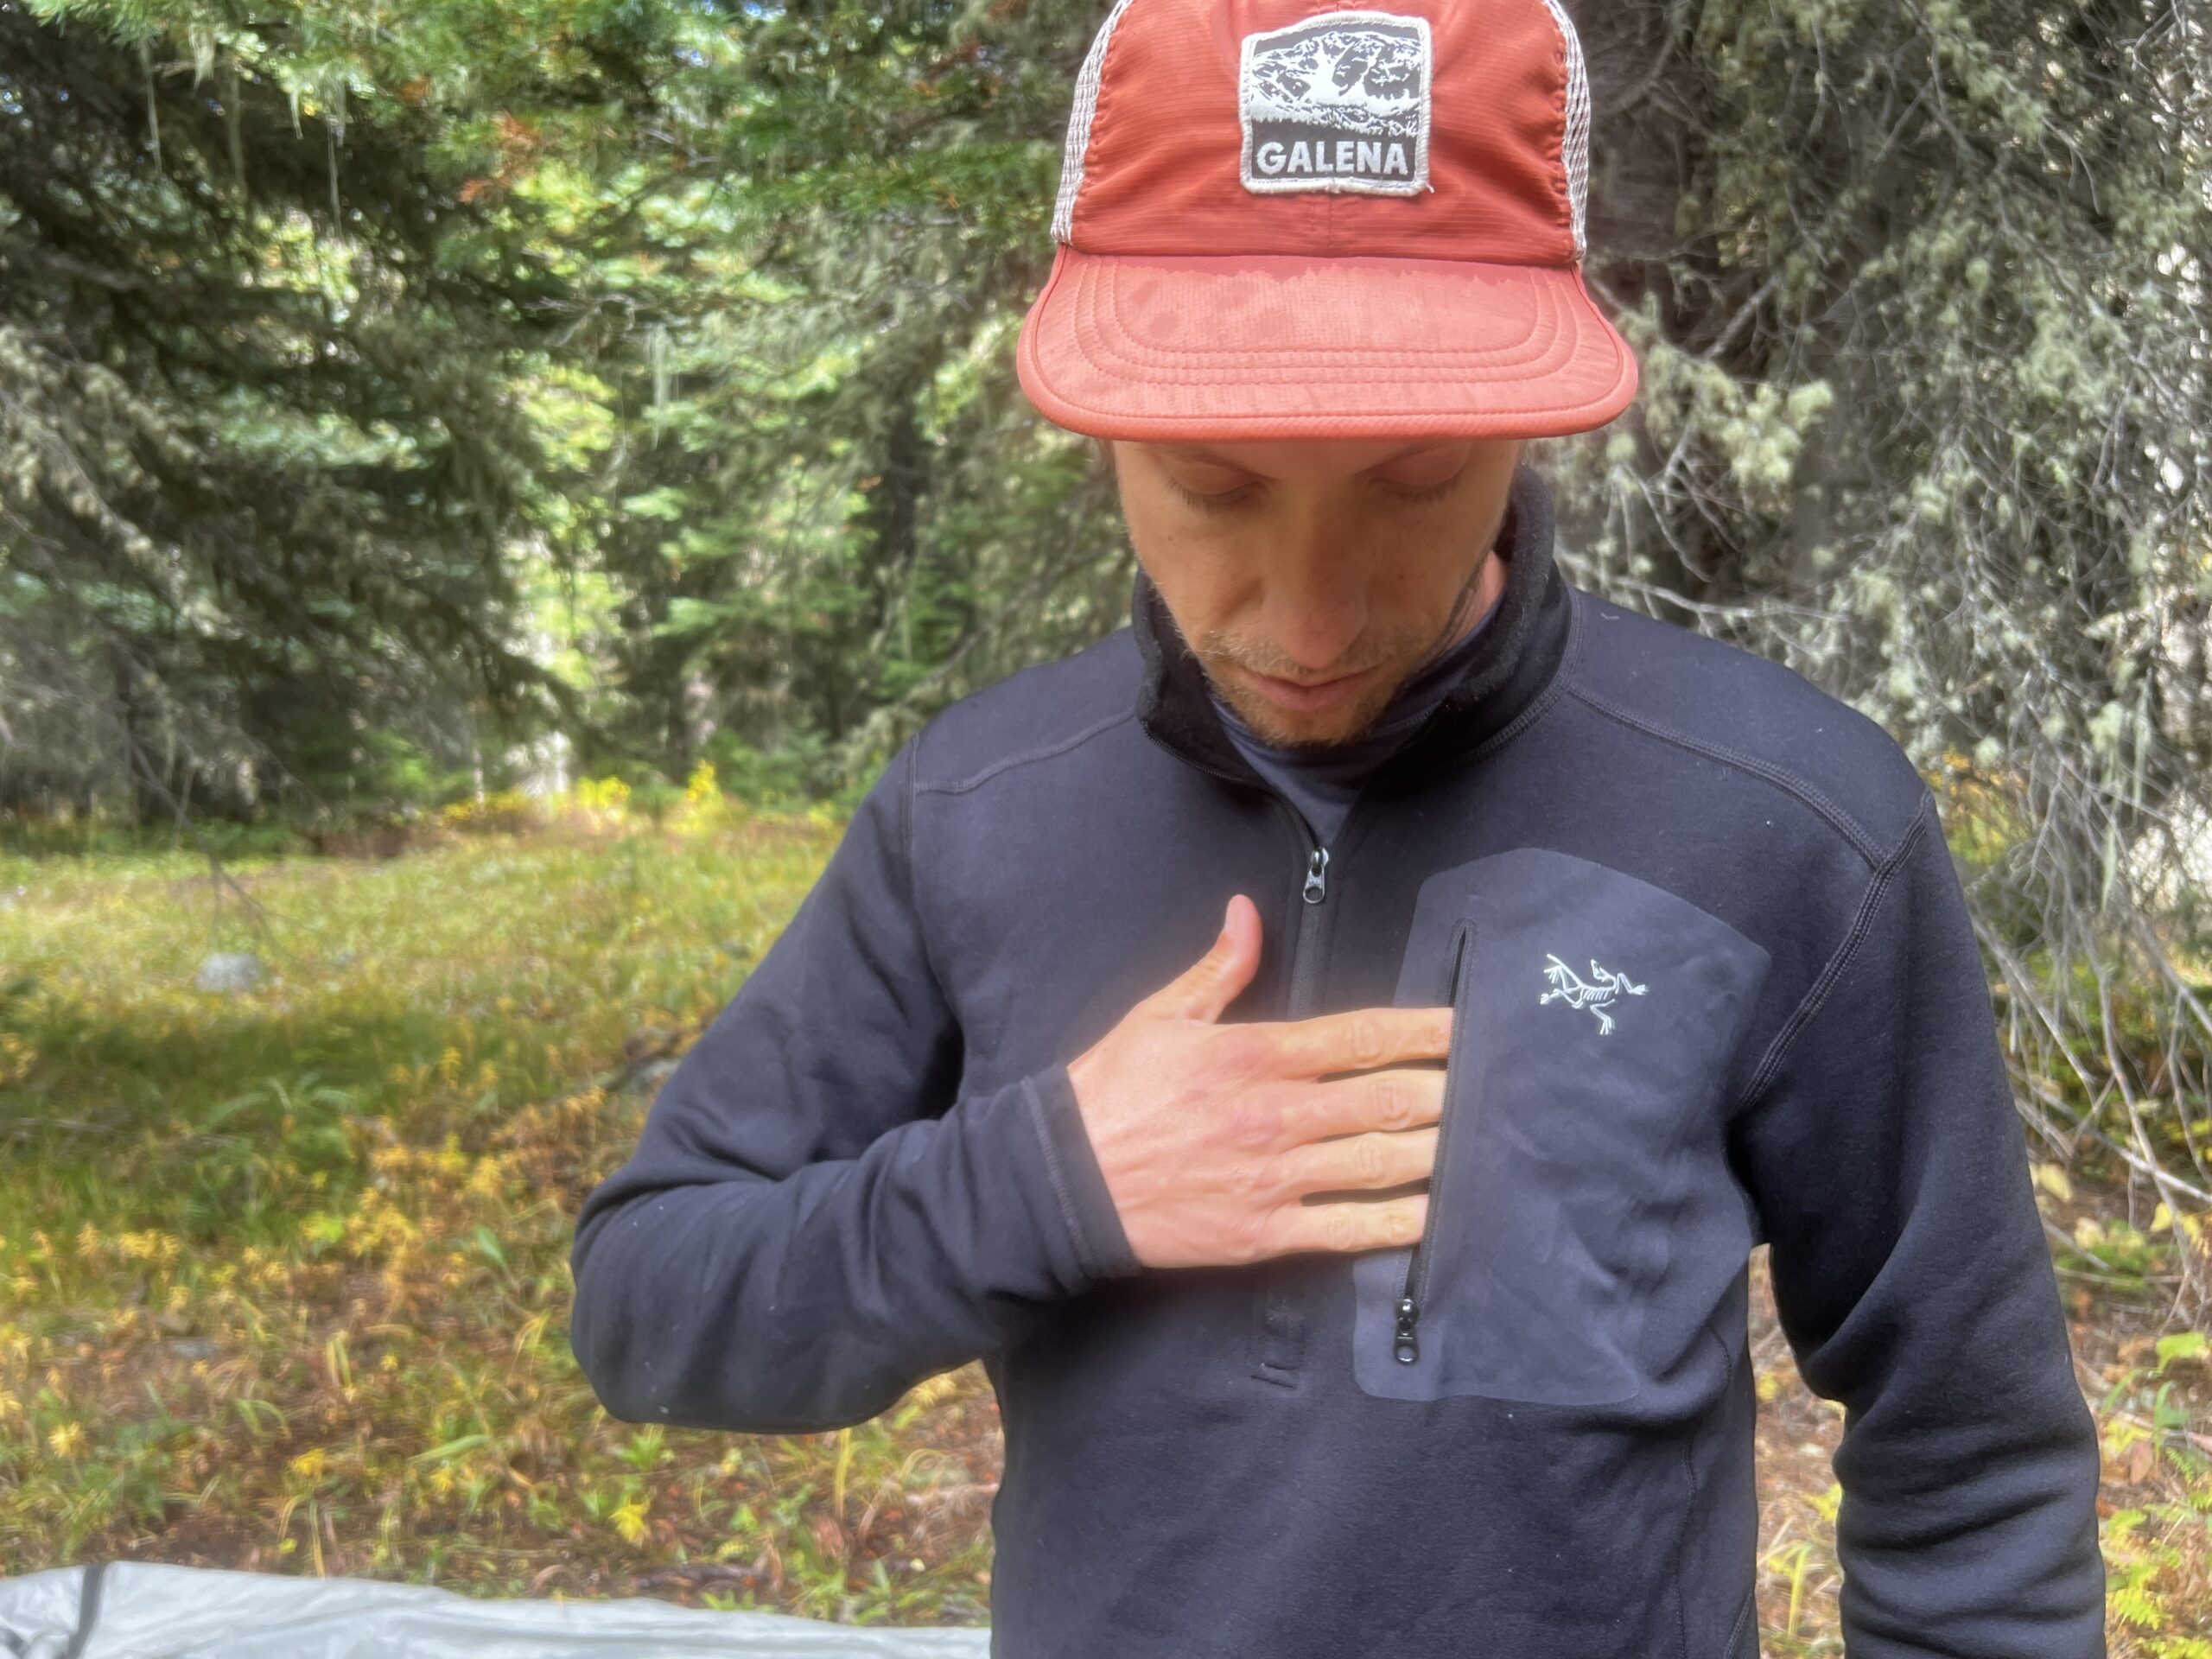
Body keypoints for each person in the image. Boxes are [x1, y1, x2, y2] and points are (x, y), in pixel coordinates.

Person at [569, 0, 2108, 1653]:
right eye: (1216, 489)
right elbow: (654, 1302)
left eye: (1412, 479)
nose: (1308, 620)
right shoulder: (973, 808)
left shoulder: (1786, 820)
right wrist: (1053, 1178)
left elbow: (1971, 1458)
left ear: (1522, 428)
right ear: (1104, 435)